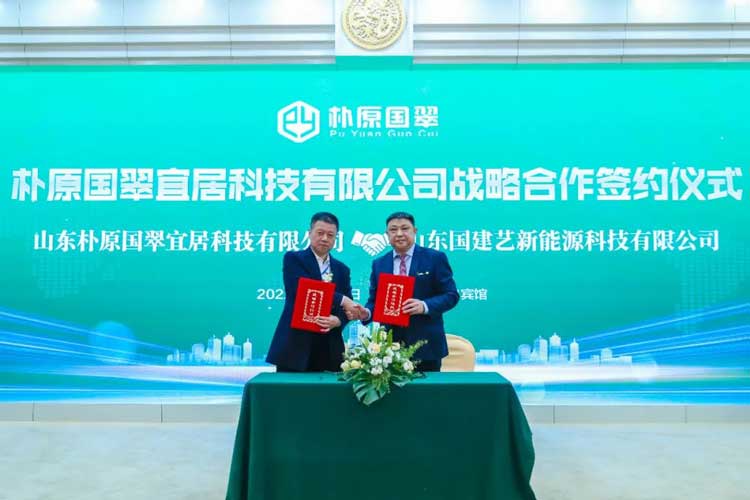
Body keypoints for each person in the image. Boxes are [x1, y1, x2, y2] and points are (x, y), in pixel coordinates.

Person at [351, 212, 459, 372]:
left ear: (414, 231)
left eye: (404, 228)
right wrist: (366, 313)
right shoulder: (379, 263)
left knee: (426, 388)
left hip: (426, 346)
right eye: (393, 230)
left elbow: (451, 295)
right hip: (389, 348)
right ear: (387, 234)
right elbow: (375, 300)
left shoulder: (434, 258)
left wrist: (424, 306)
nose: (399, 234)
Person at [266, 212, 359, 372]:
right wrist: (342, 299)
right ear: (309, 233)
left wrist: (338, 320)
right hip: (295, 345)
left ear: (336, 238)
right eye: (320, 233)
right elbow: (303, 289)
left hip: (329, 347)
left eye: (330, 235)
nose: (325, 238)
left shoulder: (342, 269)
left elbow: (348, 307)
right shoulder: (294, 259)